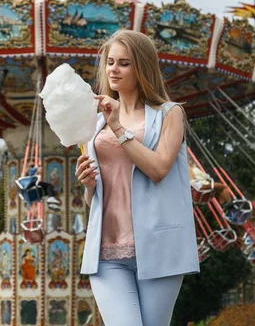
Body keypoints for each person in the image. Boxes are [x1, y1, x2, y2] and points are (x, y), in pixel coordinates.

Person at [75, 30, 199, 326]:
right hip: (105, 251)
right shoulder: (94, 123)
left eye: (124, 63)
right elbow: (98, 192)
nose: (113, 70)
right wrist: (88, 186)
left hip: (158, 248)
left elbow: (158, 169)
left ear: (142, 67)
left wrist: (118, 127)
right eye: (110, 62)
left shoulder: (170, 114)